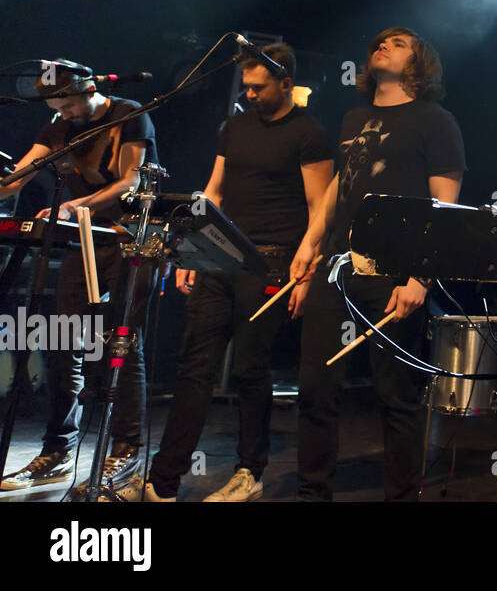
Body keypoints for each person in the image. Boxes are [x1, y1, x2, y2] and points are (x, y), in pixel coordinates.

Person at [125, 44, 333, 502]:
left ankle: (249, 472)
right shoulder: (234, 126)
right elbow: (214, 190)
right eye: (247, 87)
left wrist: (309, 269)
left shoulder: (309, 133)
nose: (252, 94)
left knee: (249, 369)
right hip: (220, 254)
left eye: (260, 87)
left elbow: (321, 207)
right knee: (195, 365)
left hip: (272, 259)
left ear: (285, 82)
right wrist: (190, 250)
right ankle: (163, 481)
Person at [293, 28, 465, 501]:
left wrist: (420, 277)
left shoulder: (436, 121)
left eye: (399, 42)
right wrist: (309, 244)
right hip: (337, 269)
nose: (382, 45)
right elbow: (337, 187)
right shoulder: (354, 117)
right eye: (379, 41)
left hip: (393, 271)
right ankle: (312, 494)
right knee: (315, 389)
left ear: (419, 63)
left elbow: (445, 206)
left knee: (398, 398)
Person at [0, 60, 158, 496]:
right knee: (63, 341)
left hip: (129, 239)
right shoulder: (56, 127)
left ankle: (125, 448)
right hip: (81, 241)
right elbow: (17, 179)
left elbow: (129, 182)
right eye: (57, 108)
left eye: (69, 105)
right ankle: (57, 450)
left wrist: (71, 206)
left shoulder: (129, 114)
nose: (64, 115)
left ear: (89, 90)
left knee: (120, 344)